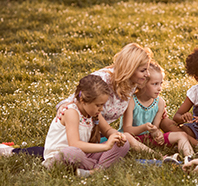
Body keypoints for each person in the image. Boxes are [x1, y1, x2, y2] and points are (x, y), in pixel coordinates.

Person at [0, 43, 160, 157]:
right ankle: (12, 152)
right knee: (66, 151)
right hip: (78, 124)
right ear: (129, 68)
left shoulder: (132, 82)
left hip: (95, 127)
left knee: (117, 144)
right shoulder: (102, 80)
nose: (147, 73)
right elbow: (82, 107)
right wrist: (102, 130)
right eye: (143, 70)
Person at [43, 75, 130, 177]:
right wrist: (105, 147)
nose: (101, 109)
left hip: (84, 155)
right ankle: (99, 167)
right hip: (61, 157)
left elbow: (107, 130)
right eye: (98, 105)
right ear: (83, 100)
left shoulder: (94, 113)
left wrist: (117, 136)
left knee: (125, 144)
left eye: (103, 105)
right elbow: (75, 144)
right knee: (73, 152)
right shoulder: (71, 112)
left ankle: (93, 171)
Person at [122, 61, 194, 159]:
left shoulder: (160, 102)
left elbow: (155, 128)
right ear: (142, 84)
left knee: (181, 135)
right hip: (133, 139)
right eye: (155, 84)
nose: (159, 88)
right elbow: (127, 129)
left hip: (148, 139)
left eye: (161, 83)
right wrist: (144, 128)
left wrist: (157, 134)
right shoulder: (131, 101)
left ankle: (190, 158)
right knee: (126, 136)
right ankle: (158, 157)